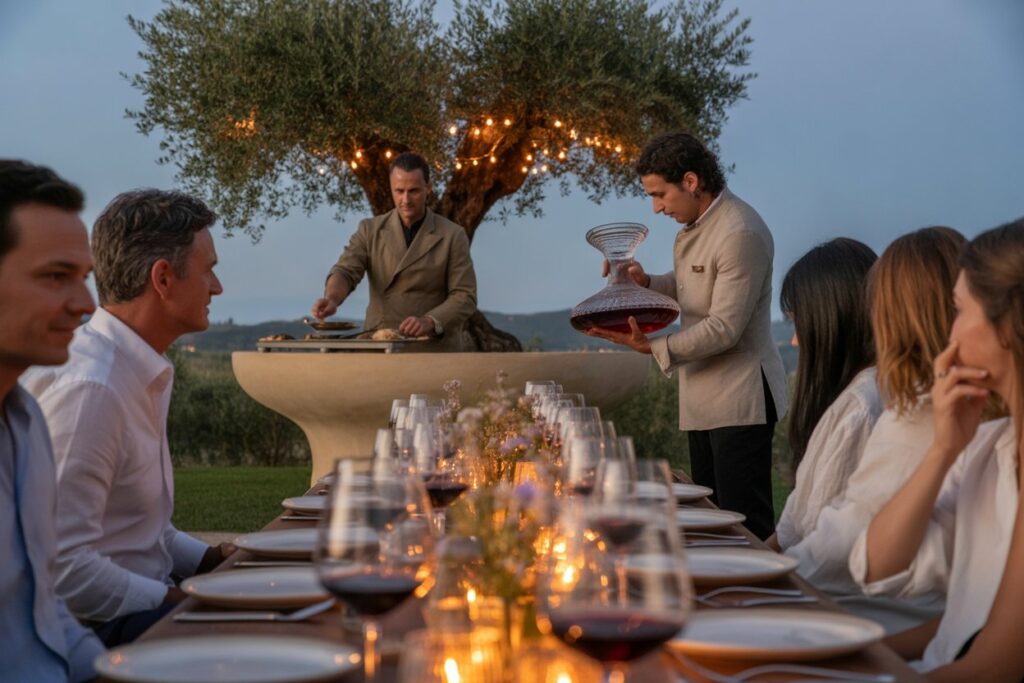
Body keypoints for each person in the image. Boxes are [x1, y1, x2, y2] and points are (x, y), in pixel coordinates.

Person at [22, 189, 233, 647]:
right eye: (208, 270)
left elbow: (135, 530)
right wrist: (180, 602)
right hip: (89, 635)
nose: (217, 287)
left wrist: (210, 560)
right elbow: (62, 567)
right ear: (163, 279)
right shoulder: (92, 389)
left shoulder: (134, 368)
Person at [587, 132, 788, 539]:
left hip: (739, 400)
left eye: (660, 194)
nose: (656, 207)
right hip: (702, 395)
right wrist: (647, 282)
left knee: (743, 527)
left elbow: (725, 327)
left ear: (691, 182)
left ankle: (754, 600)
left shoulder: (740, 232)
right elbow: (690, 284)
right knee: (715, 521)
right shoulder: (697, 224)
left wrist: (653, 346)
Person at [850, 219, 1023, 674]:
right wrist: (943, 450)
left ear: (1007, 325)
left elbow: (993, 668)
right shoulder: (989, 447)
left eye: (960, 310)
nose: (951, 333)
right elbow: (877, 566)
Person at [777, 228, 963, 633]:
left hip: (843, 616)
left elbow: (832, 551)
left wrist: (754, 586)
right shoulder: (901, 404)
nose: (793, 339)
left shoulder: (881, 407)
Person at [0, 159, 104, 681]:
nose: (85, 304)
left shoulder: (27, 420)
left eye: (83, 278)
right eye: (56, 277)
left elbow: (45, 613)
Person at [768, 238, 880, 551]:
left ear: (832, 320)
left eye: (798, 323)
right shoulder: (857, 398)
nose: (794, 341)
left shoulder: (861, 408)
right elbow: (790, 530)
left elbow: (818, 547)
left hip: (824, 595)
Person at [311, 152, 477, 351]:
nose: (405, 199)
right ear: (391, 189)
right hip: (378, 348)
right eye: (399, 191)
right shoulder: (369, 230)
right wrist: (332, 299)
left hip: (432, 349)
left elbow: (464, 296)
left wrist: (431, 321)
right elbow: (346, 270)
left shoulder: (453, 235)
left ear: (428, 189)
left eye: (413, 191)